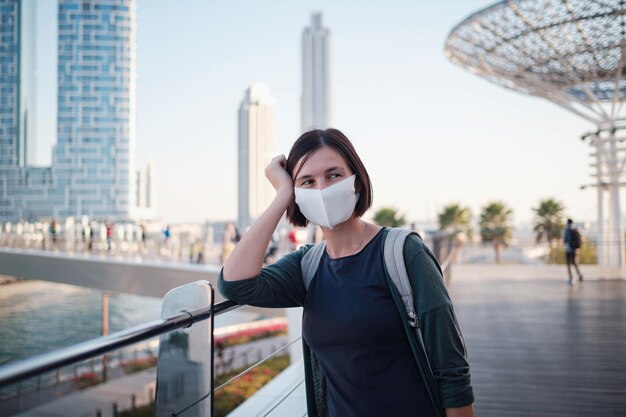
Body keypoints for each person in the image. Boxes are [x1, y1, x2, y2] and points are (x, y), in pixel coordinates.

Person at [219, 128, 474, 417]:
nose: (322, 190)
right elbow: (235, 284)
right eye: (308, 182)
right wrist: (282, 196)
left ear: (356, 181)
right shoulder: (307, 266)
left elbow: (451, 369)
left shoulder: (404, 253)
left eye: (333, 175)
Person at [563, 218, 584, 285]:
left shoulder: (567, 230)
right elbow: (580, 239)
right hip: (575, 249)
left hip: (568, 249)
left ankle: (571, 278)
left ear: (567, 222)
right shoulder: (576, 229)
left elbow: (565, 240)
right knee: (575, 263)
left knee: (568, 264)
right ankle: (580, 275)